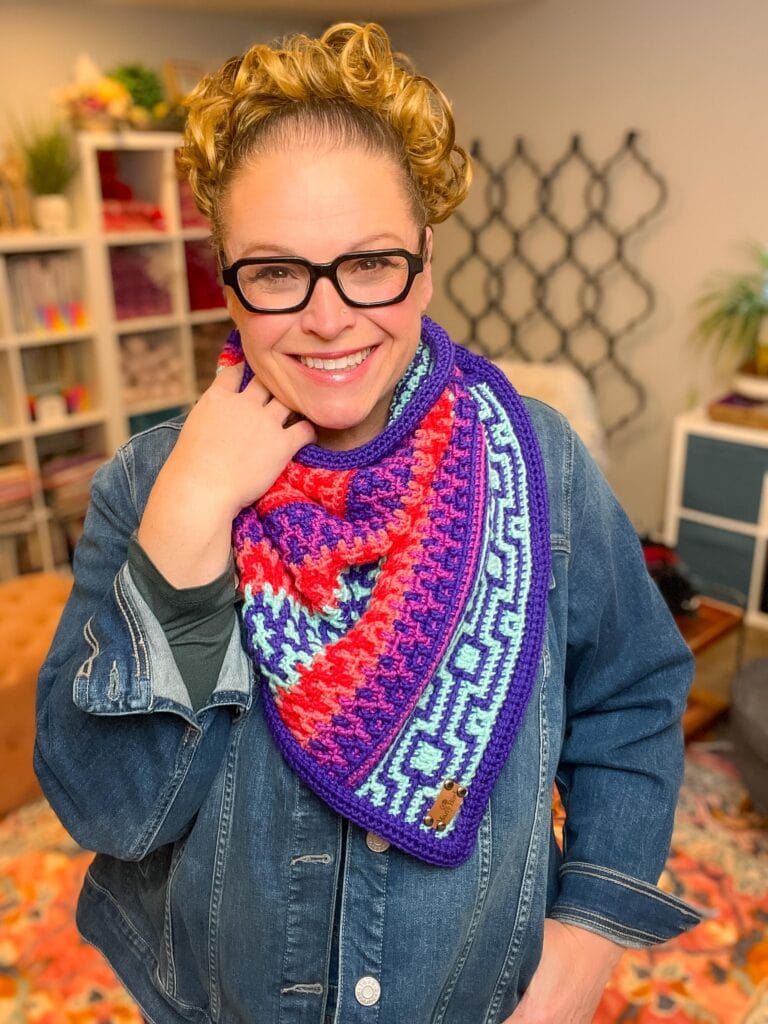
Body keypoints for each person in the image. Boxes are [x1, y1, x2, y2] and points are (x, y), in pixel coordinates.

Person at [35, 22, 702, 1024]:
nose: (330, 316)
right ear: (229, 281)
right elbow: (112, 814)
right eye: (276, 272)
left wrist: (585, 950)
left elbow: (633, 697)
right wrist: (186, 522)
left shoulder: (541, 466)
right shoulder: (146, 482)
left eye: (370, 263)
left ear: (424, 261)